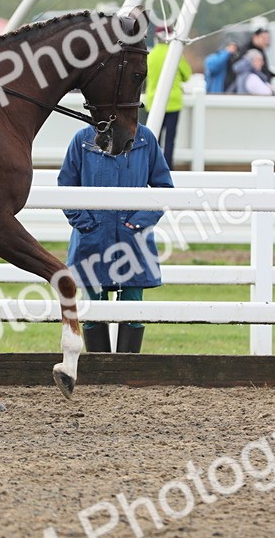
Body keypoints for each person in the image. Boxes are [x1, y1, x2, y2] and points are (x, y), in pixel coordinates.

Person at [58, 122, 174, 354]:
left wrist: (137, 223)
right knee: (92, 310)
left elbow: (164, 188)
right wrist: (86, 224)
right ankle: (101, 371)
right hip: (92, 240)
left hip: (132, 241)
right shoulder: (82, 139)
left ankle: (127, 371)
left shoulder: (145, 139)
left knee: (132, 310)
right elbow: (65, 187)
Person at [143, 23, 191, 168]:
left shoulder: (150, 56)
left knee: (154, 137)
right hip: (173, 101)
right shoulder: (175, 54)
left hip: (153, 101)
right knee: (170, 139)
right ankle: (167, 167)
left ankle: (153, 166)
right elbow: (187, 75)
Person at [223, 27, 275, 92]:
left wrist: (274, 75)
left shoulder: (261, 50)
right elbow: (237, 69)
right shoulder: (246, 52)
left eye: (268, 38)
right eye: (263, 38)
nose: (266, 41)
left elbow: (264, 70)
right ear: (255, 37)